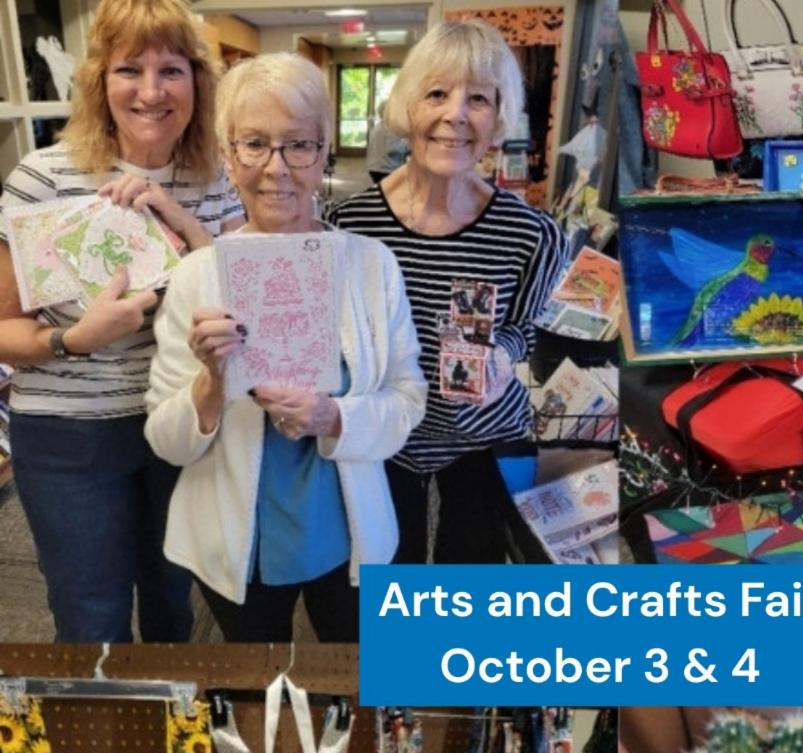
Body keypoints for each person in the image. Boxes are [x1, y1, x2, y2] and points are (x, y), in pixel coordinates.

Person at [144, 54, 426, 643]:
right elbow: (166, 444)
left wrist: (334, 416)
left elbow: (407, 398)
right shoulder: (197, 276)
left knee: (356, 682)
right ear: (227, 156)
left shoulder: (371, 266)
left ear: (324, 153)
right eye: (253, 144)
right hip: (238, 538)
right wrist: (209, 382)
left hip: (348, 530)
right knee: (257, 692)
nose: (276, 168)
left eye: (298, 145)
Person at [0, 0, 242, 642]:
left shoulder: (216, 180)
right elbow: (1, 327)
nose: (151, 91)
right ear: (99, 81)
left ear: (198, 81)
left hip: (178, 424)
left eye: (172, 70)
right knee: (91, 616)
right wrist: (73, 339)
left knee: (172, 603)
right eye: (129, 69)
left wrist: (185, 224)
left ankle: (172, 743)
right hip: (68, 436)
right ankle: (103, 745)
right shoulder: (42, 179)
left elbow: (244, 308)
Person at [330, 19, 567, 563]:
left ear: (498, 117)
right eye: (436, 93)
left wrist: (504, 356)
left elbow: (529, 326)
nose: (455, 114)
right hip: (386, 438)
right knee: (389, 576)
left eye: (478, 99)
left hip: (484, 436)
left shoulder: (530, 233)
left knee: (470, 584)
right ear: (409, 106)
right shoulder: (348, 224)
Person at [366, 98, 409, 184]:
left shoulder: (377, 127)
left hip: (374, 167)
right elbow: (392, 149)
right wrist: (409, 143)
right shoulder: (389, 129)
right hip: (385, 169)